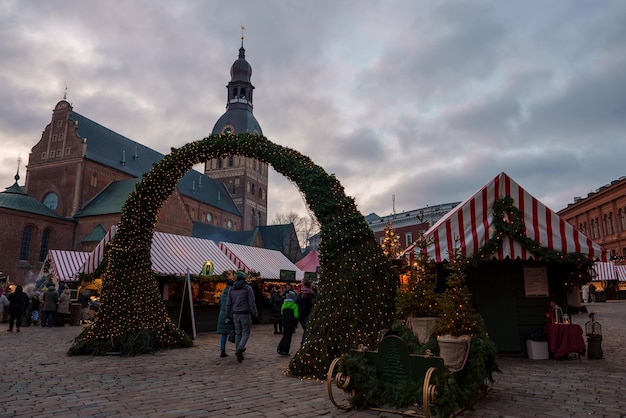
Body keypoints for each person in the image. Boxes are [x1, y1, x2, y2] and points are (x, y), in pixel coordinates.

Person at [226, 271, 258, 363]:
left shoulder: (231, 289)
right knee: (245, 332)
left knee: (238, 333)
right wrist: (254, 313)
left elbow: (228, 304)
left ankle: (238, 350)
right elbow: (251, 302)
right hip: (245, 313)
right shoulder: (248, 288)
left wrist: (228, 315)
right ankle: (240, 349)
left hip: (235, 313)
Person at [216, 271, 235, 358]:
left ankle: (222, 350)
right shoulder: (233, 294)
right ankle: (238, 349)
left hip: (222, 315)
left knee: (223, 334)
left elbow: (219, 304)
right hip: (230, 315)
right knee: (236, 332)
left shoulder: (222, 294)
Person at [276, 290, 299, 356]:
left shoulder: (284, 304)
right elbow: (296, 315)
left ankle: (280, 347)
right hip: (291, 323)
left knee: (285, 335)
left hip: (284, 322)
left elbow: (281, 313)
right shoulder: (294, 305)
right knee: (289, 337)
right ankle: (285, 350)